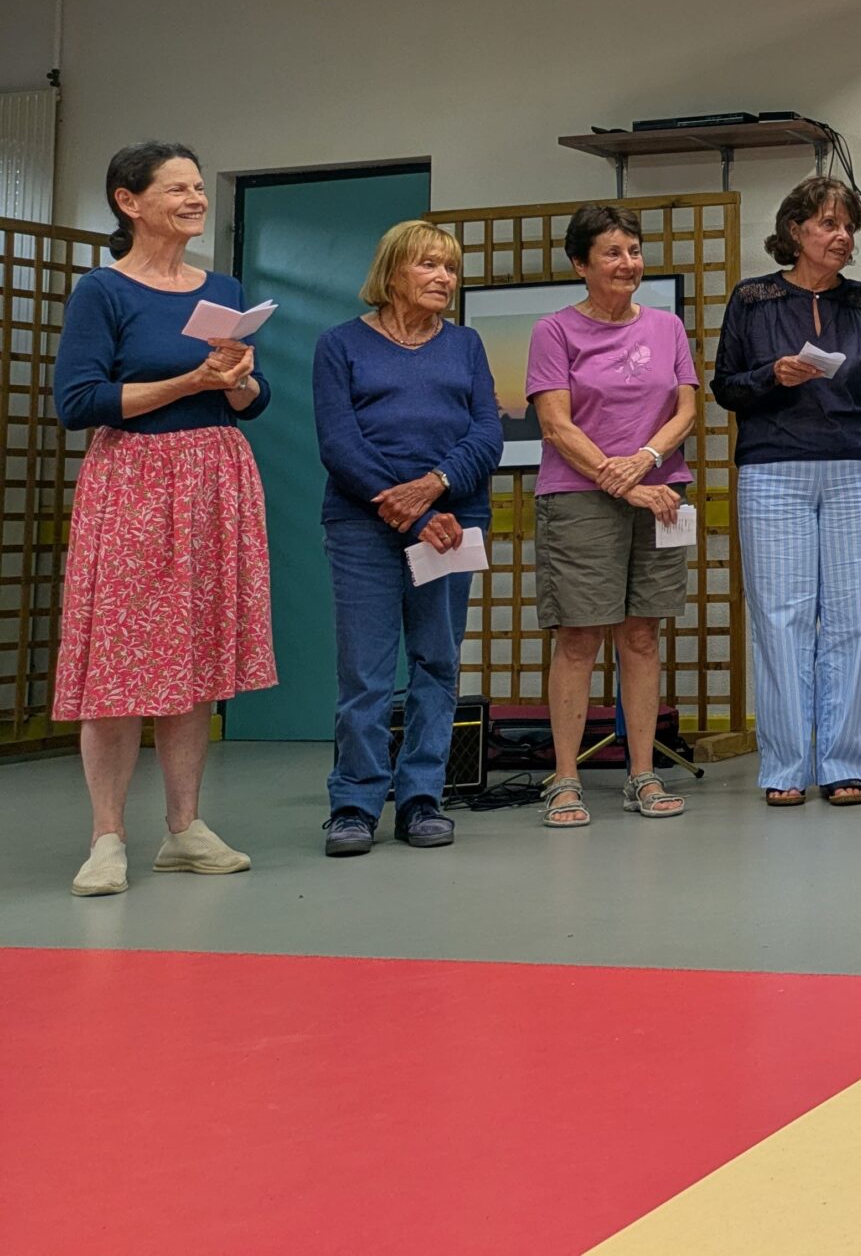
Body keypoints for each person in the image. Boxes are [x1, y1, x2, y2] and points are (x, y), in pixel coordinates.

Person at [51, 141, 273, 897]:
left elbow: (250, 398)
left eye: (199, 187)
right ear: (129, 200)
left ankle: (185, 828)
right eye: (177, 188)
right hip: (135, 479)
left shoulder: (224, 288)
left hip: (216, 474)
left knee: (196, 655)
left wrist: (238, 382)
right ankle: (107, 836)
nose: (196, 199)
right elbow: (78, 402)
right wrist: (190, 379)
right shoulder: (102, 291)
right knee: (118, 659)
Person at [713, 177, 861, 808]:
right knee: (780, 620)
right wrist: (771, 375)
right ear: (795, 230)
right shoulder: (751, 300)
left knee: (854, 617)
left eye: (848, 226)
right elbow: (725, 387)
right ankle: (784, 766)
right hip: (772, 472)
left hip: (854, 472)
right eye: (829, 224)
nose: (842, 236)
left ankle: (848, 763)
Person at [311, 221, 503, 856]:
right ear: (392, 272)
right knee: (365, 674)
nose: (444, 277)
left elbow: (487, 434)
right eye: (429, 265)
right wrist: (417, 514)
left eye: (450, 267)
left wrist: (436, 484)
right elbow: (340, 445)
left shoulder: (466, 345)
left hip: (455, 519)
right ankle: (354, 805)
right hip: (363, 525)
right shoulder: (339, 344)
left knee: (437, 663)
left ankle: (423, 799)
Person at [526, 203, 700, 828]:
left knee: (642, 634)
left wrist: (647, 461)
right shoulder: (554, 331)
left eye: (634, 251)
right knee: (579, 637)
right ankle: (565, 779)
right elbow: (555, 424)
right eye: (611, 253)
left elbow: (685, 410)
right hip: (580, 499)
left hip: (661, 491)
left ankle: (642, 773)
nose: (628, 263)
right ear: (580, 264)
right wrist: (622, 482)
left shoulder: (667, 327)